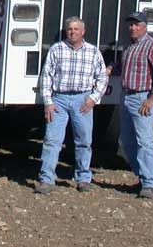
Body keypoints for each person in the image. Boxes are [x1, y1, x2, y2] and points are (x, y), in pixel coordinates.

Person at [35, 16, 108, 195]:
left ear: (83, 32)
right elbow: (46, 76)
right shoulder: (56, 49)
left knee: (83, 141)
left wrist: (93, 99)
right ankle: (46, 179)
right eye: (70, 29)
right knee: (52, 141)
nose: (73, 32)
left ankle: (83, 178)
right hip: (59, 100)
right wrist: (48, 102)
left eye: (76, 29)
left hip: (82, 100)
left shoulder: (93, 52)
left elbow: (102, 77)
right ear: (65, 31)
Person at [107, 11, 153, 199]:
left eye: (137, 24)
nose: (133, 28)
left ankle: (149, 183)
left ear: (145, 26)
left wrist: (152, 98)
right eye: (131, 24)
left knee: (144, 141)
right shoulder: (129, 47)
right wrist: (111, 67)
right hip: (126, 97)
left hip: (142, 98)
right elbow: (124, 66)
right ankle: (141, 176)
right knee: (126, 141)